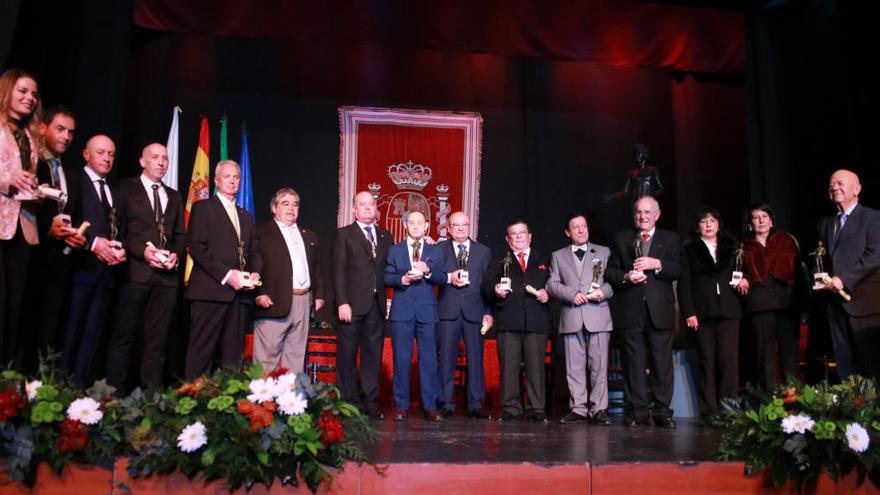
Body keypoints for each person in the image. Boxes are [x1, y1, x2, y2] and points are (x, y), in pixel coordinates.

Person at [105, 143, 185, 391]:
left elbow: (180, 236)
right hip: (135, 273)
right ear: (142, 161)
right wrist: (143, 251)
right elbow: (118, 230)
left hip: (166, 280)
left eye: (165, 158)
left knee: (158, 341)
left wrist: (175, 256)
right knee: (124, 337)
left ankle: (150, 397)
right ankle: (114, 396)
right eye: (155, 157)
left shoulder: (174, 196)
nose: (161, 162)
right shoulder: (125, 189)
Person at [606, 196, 680, 428]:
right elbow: (610, 272)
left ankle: (662, 412)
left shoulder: (670, 238)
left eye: (648, 212)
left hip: (660, 310)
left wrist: (657, 264)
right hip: (631, 309)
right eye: (639, 212)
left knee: (662, 363)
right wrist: (627, 276)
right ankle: (637, 411)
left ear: (657, 214)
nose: (643, 216)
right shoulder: (622, 238)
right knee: (633, 362)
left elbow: (678, 268)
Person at [22, 105, 86, 370]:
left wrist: (76, 238)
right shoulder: (30, 165)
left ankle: (41, 389)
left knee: (50, 333)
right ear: (42, 128)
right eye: (60, 129)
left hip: (60, 267)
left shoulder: (71, 174)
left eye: (71, 132)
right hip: (29, 261)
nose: (66, 136)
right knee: (24, 327)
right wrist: (47, 229)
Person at [184, 160, 261, 379]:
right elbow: (197, 248)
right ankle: (193, 402)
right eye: (227, 176)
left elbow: (255, 252)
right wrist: (228, 275)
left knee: (233, 357)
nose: (232, 181)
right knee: (202, 352)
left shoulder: (245, 216)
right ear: (217, 181)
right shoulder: (203, 208)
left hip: (239, 297)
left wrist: (254, 273)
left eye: (236, 177)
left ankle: (227, 404)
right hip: (210, 293)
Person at [61, 134, 126, 386]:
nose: (107, 158)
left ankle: (80, 392)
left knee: (92, 338)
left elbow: (120, 231)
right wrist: (93, 244)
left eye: (110, 154)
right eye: (101, 152)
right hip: (80, 273)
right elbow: (66, 221)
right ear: (86, 155)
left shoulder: (115, 193)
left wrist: (121, 249)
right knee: (71, 334)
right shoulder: (76, 182)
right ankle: (61, 390)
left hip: (106, 276)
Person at [546, 213, 614, 426]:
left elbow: (614, 281)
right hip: (572, 314)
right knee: (573, 366)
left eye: (584, 226)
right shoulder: (558, 256)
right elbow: (551, 284)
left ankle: (599, 409)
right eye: (576, 227)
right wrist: (571, 294)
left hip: (598, 313)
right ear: (568, 232)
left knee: (599, 365)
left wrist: (603, 292)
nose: (581, 230)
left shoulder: (604, 252)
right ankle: (578, 409)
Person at [482, 220, 551, 422]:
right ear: (508, 239)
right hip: (508, 321)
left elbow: (555, 285)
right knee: (508, 368)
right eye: (514, 234)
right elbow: (485, 286)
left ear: (530, 236)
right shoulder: (498, 261)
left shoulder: (545, 260)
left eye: (522, 233)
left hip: (536, 321)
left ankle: (536, 409)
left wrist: (549, 294)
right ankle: (510, 408)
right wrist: (494, 290)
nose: (519, 236)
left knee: (535, 368)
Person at [678, 207, 742, 421]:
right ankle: (709, 412)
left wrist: (745, 281)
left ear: (718, 224)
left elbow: (743, 272)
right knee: (707, 361)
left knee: (729, 362)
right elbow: (684, 284)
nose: (708, 225)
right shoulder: (689, 249)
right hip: (703, 312)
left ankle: (729, 409)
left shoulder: (731, 247)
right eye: (703, 221)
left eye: (712, 220)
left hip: (729, 309)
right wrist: (689, 312)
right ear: (697, 226)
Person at [332, 191, 392, 419]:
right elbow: (337, 272)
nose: (368, 208)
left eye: (371, 204)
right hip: (351, 306)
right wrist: (342, 302)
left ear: (376, 208)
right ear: (354, 209)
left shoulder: (385, 236)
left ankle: (371, 403)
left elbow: (393, 267)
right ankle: (346, 404)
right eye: (362, 204)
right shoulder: (344, 235)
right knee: (347, 356)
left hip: (376, 307)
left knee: (373, 356)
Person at [253, 188, 326, 374]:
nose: (291, 208)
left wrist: (319, 296)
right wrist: (258, 293)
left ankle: (288, 403)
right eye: (285, 204)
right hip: (272, 301)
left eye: (295, 204)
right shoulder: (261, 232)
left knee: (295, 360)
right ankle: (262, 403)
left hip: (303, 301)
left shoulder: (309, 235)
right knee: (265, 363)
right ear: (273, 208)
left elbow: (316, 267)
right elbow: (253, 264)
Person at [817, 169, 880, 380]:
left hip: (864, 304)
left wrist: (845, 279)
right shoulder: (825, 223)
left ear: (857, 188)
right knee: (844, 366)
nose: (834, 187)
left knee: (870, 365)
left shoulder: (873, 218)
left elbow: (875, 255)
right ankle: (850, 410)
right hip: (835, 305)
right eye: (831, 184)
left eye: (840, 183)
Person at [384, 211, 446, 421]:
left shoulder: (435, 250)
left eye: (420, 223)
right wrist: (403, 279)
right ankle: (401, 406)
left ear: (427, 226)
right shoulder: (395, 250)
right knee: (401, 359)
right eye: (412, 222)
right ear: (406, 226)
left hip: (427, 313)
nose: (416, 226)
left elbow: (443, 277)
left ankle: (430, 406)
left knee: (429, 360)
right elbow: (387, 276)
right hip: (402, 312)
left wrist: (428, 270)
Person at [0, 68, 41, 366]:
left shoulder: (29, 134)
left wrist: (38, 191)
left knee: (15, 307)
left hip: (23, 227)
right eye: (23, 91)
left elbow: (27, 179)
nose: (30, 98)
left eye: (34, 94)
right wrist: (6, 179)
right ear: (7, 91)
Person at [737, 203, 801, 388]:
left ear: (771, 221)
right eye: (756, 218)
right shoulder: (744, 247)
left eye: (764, 216)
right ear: (750, 224)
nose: (761, 220)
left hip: (787, 304)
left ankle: (795, 400)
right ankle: (770, 402)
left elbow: (798, 273)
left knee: (790, 355)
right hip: (760, 305)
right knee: (765, 357)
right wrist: (745, 280)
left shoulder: (787, 241)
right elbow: (739, 273)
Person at [437, 211, 493, 419]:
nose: (460, 229)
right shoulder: (438, 249)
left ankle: (475, 403)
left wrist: (488, 312)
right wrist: (448, 278)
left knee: (476, 359)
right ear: (449, 229)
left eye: (464, 225)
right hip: (448, 311)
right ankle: (445, 403)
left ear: (470, 227)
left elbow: (488, 286)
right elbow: (433, 276)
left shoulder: (483, 252)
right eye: (456, 225)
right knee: (446, 360)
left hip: (475, 312)